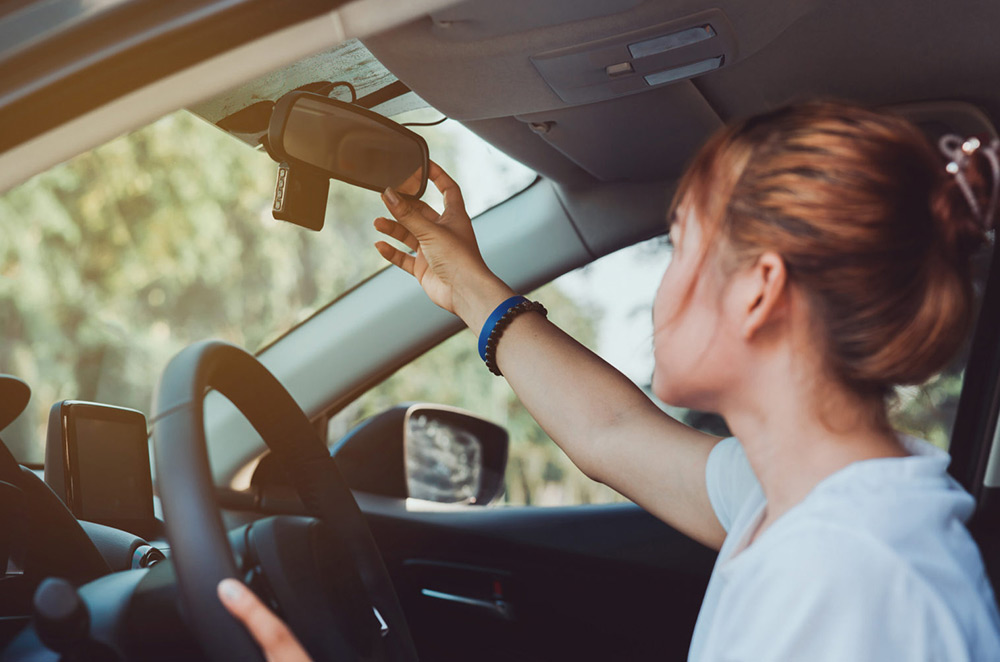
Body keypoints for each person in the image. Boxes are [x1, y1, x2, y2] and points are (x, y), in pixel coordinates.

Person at [219, 100, 1000, 660]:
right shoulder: (798, 498)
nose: (662, 289)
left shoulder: (849, 583)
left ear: (759, 291)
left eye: (679, 244)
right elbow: (612, 433)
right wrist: (466, 285)